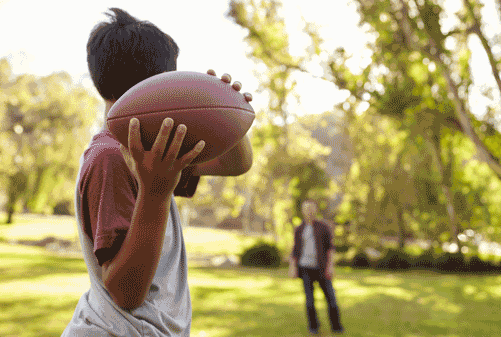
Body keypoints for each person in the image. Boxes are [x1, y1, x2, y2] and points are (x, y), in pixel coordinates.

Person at [62, 8, 253, 336]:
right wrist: (156, 192)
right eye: (169, 80)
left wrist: (229, 112)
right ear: (155, 87)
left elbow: (235, 165)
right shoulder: (109, 157)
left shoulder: (155, 149)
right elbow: (125, 293)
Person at [289, 200, 344, 335]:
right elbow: (295, 250)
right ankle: (313, 327)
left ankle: (336, 327)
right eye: (306, 208)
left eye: (311, 208)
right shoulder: (299, 229)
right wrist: (292, 267)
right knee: (309, 301)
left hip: (321, 268)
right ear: (303, 211)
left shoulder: (323, 227)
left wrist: (330, 267)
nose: (309, 211)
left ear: (315, 210)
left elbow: (330, 248)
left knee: (331, 299)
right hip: (305, 268)